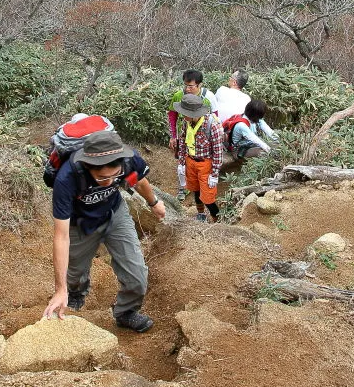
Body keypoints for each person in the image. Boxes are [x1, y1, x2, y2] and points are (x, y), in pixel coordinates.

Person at [42, 130, 166, 332]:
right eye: (101, 178)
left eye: (114, 176)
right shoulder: (67, 178)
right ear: (87, 165)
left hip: (114, 213)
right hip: (78, 223)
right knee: (74, 274)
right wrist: (60, 289)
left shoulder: (128, 159)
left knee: (137, 276)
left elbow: (139, 180)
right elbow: (61, 236)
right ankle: (75, 294)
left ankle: (126, 312)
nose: (109, 182)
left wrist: (153, 203)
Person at [174, 92, 226, 222]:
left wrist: (214, 173)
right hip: (190, 161)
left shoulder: (211, 125)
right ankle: (201, 214)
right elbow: (183, 142)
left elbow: (218, 151)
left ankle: (217, 219)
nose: (183, 115)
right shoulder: (187, 123)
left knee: (208, 197)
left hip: (205, 164)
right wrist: (181, 163)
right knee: (195, 190)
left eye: (185, 113)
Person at [167, 70, 218, 200]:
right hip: (185, 133)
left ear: (199, 85)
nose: (188, 89)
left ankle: (201, 187)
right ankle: (182, 187)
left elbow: (215, 117)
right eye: (186, 85)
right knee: (182, 160)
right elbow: (172, 115)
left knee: (201, 162)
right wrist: (173, 135)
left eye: (191, 86)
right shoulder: (179, 95)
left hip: (203, 136)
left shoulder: (209, 97)